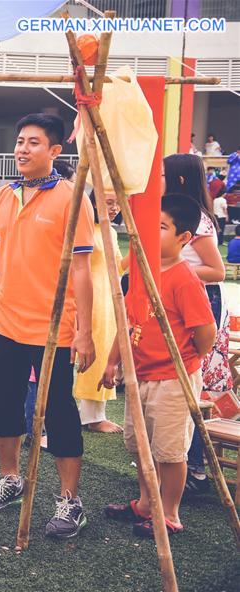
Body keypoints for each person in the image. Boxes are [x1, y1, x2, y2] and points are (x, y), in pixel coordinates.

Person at [0, 113, 95, 539]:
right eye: (20, 141)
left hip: (54, 328)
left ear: (55, 151)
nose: (22, 148)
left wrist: (85, 331)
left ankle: (69, 500)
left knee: (59, 413)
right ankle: (10, 479)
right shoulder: (3, 196)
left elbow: (82, 271)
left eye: (34, 142)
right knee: (3, 407)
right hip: (5, 322)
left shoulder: (73, 198)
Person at [101, 194, 216, 537]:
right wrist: (112, 361)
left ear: (184, 238)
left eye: (162, 227)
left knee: (169, 451)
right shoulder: (139, 265)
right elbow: (128, 319)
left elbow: (205, 330)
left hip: (173, 378)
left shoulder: (184, 278)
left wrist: (188, 358)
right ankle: (145, 502)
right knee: (141, 446)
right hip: (141, 376)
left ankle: (170, 513)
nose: (152, 231)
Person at [163, 153, 226, 493]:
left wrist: (173, 272)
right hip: (183, 304)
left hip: (196, 306)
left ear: (179, 180)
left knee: (189, 384)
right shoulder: (180, 214)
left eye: (162, 174)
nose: (156, 179)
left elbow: (216, 271)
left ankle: (194, 468)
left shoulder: (195, 220)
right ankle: (179, 465)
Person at [73, 191, 123, 433]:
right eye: (108, 203)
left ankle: (95, 414)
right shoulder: (83, 229)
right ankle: (89, 417)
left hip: (107, 301)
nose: (114, 208)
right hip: (87, 298)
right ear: (93, 203)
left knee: (103, 352)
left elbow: (119, 267)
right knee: (89, 352)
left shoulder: (111, 232)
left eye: (117, 203)